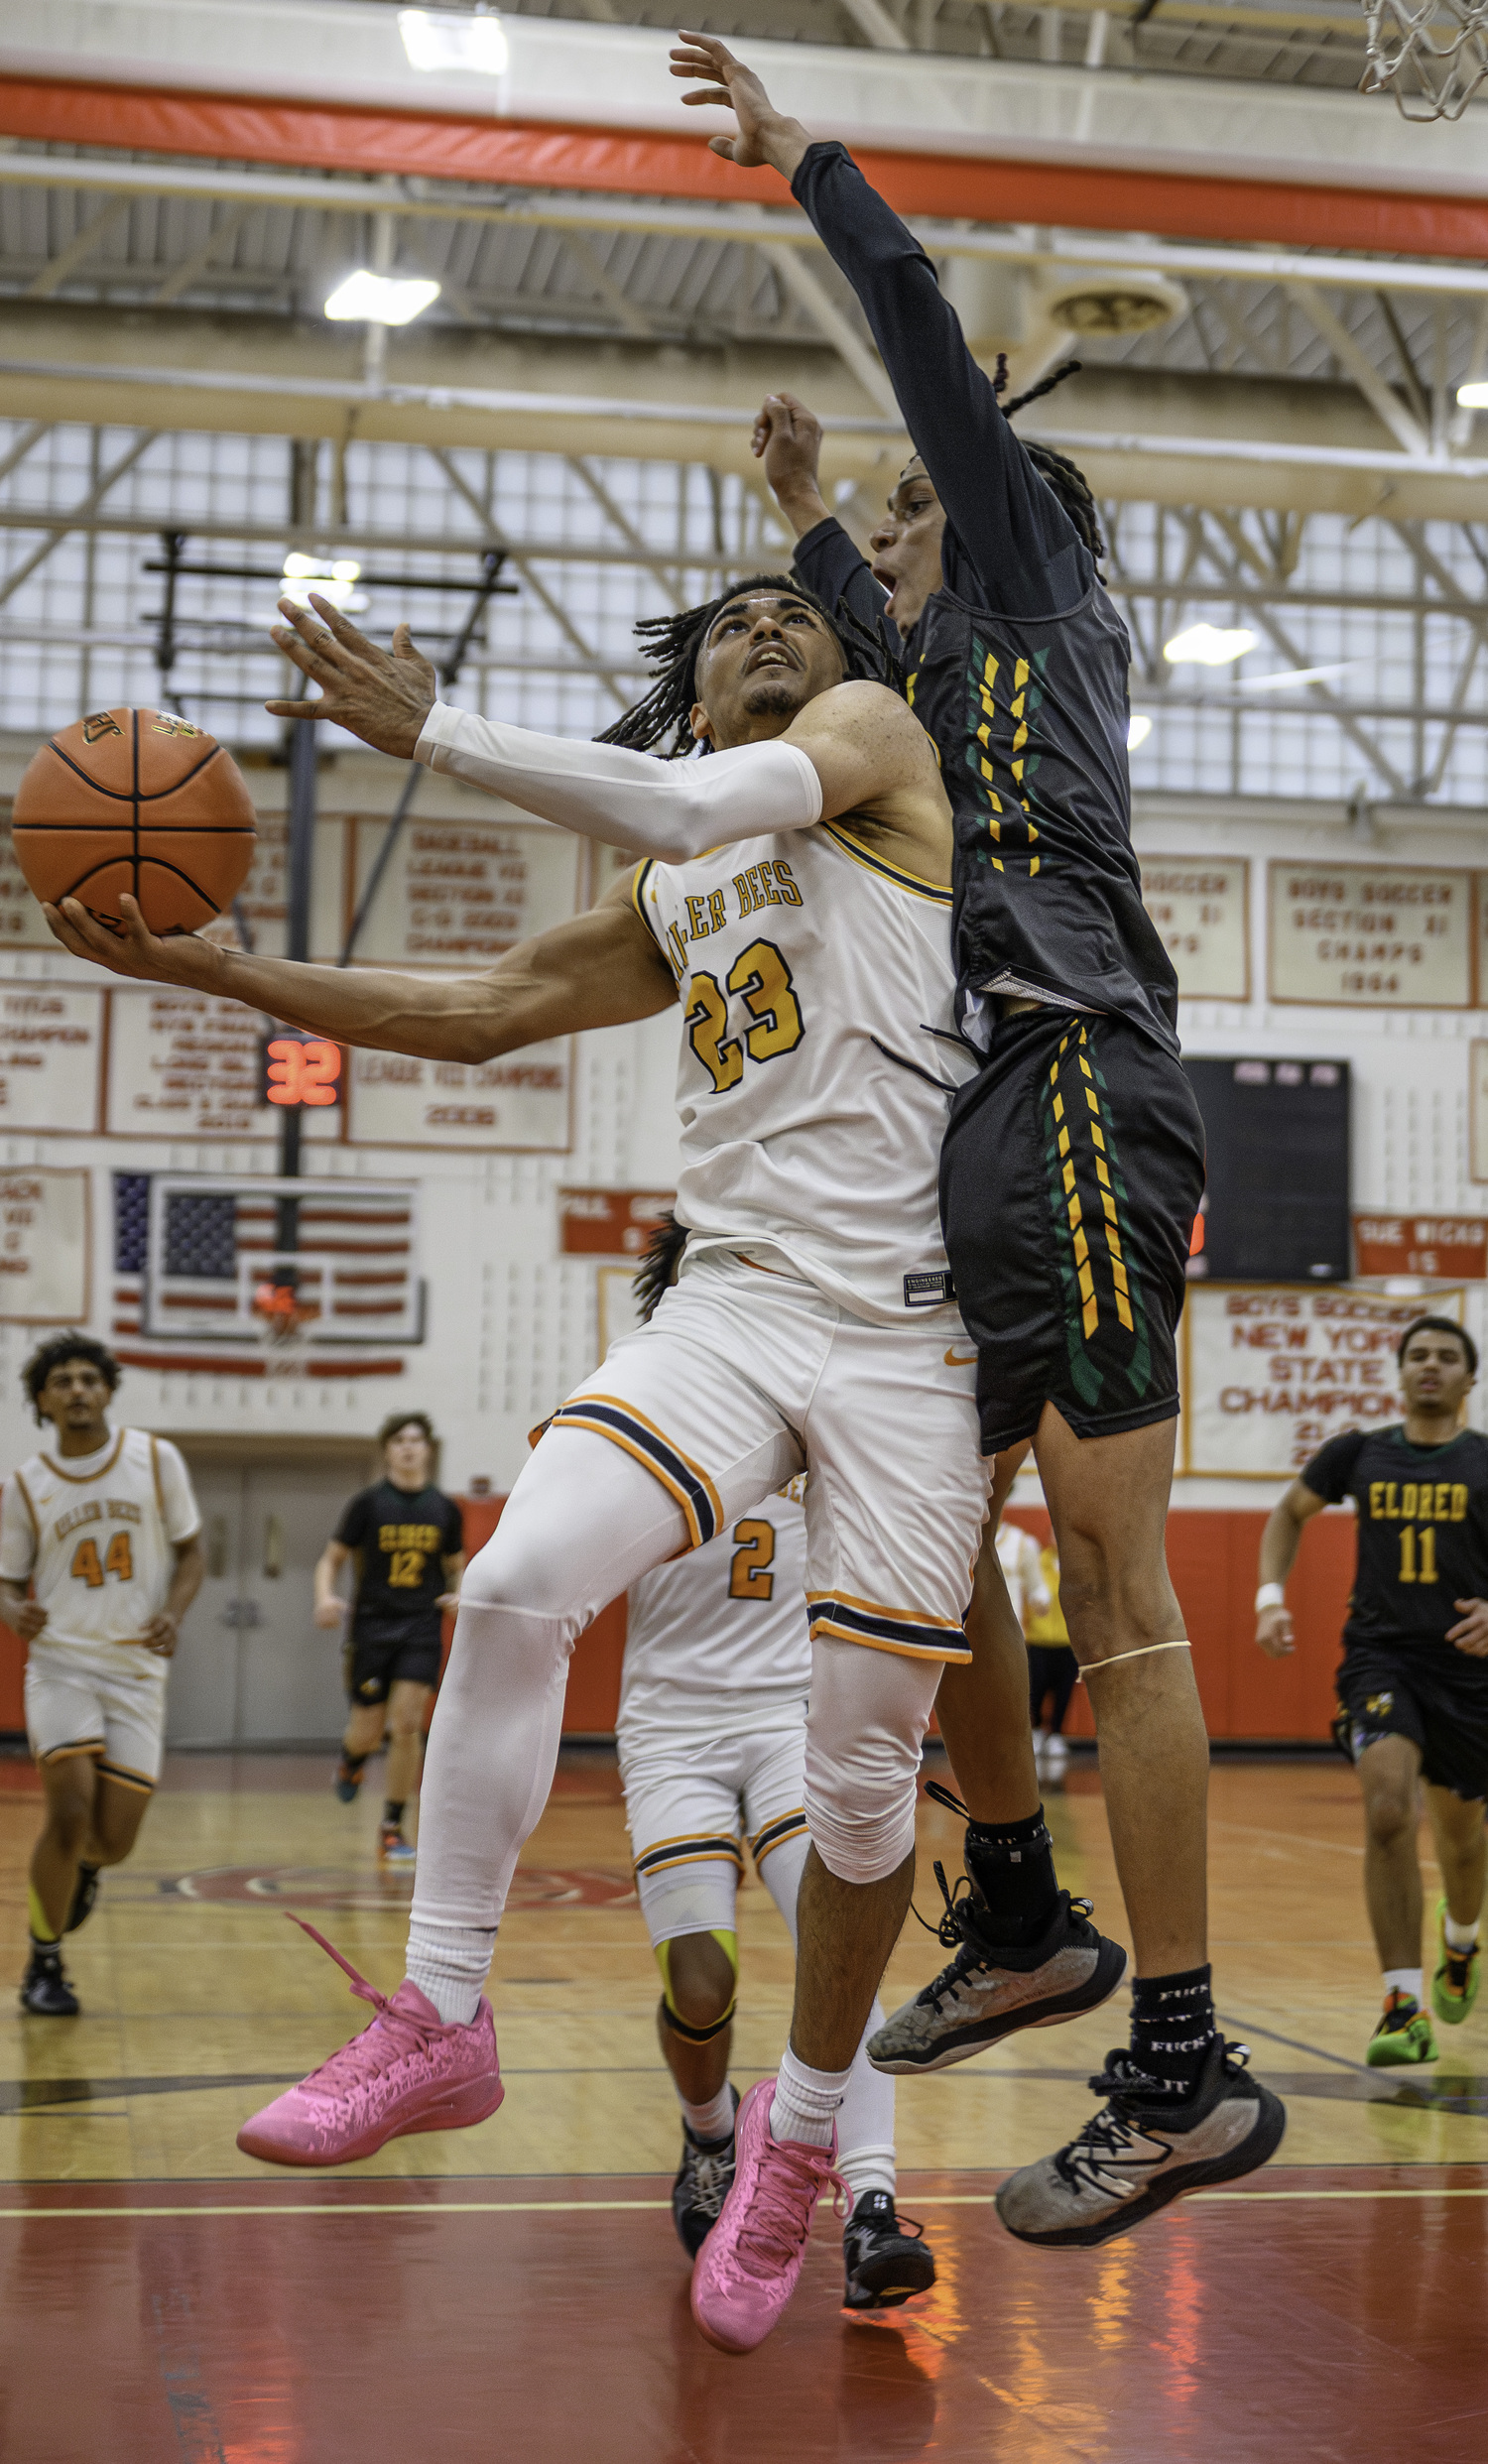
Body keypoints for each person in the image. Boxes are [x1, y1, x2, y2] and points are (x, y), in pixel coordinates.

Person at [45, 563, 1121, 2355]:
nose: (771, 632)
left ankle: (794, 2142)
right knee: (519, 1575)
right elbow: (472, 1006)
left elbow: (710, 793)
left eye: (799, 613)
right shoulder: (676, 884)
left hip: (918, 1333)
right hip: (743, 1294)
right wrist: (221, 966)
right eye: (731, 627)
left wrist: (432, 728)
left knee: (864, 1770)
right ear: (691, 686)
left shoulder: (872, 744)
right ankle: (444, 2011)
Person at [669, 29, 1282, 2251]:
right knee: (931, 1555)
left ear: (988, 528)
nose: (882, 554)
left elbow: (930, 342)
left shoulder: (1029, 581)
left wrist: (798, 157)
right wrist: (805, 522)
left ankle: (1189, 2067)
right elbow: (865, 609)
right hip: (976, 1136)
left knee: (1121, 1595)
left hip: (1084, 1077)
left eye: (907, 520)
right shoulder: (931, 691)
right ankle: (1020, 1907)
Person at [618, 1213, 933, 2311]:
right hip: (672, 1725)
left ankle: (874, 2202)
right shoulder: (640, 1393)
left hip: (793, 1717)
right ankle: (710, 2133)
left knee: (839, 1951)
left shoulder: (832, 1394)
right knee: (699, 1981)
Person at [1256, 1316, 1487, 2068]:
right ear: (1400, 1371)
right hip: (1380, 1660)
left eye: (1447, 1357)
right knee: (1389, 1809)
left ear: (1468, 1379)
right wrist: (1269, 1596)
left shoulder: (1484, 1461)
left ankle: (1461, 1942)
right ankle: (1401, 2003)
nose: (1430, 1366)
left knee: (1463, 1842)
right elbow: (1287, 1514)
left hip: (1467, 1673)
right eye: (1418, 1355)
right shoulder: (1358, 1453)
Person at [0, 1335, 203, 2017]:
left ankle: (84, 1869)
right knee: (68, 1810)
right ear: (41, 1400)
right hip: (61, 1664)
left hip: (137, 1672)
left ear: (109, 1389)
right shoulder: (27, 1483)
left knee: (112, 1841)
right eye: (63, 1381)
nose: (79, 1389)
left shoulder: (154, 1459)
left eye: (90, 1378)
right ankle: (43, 1962)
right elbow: (4, 1580)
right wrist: (12, 1611)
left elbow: (192, 1553)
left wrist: (174, 1612)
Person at [315, 1412, 464, 1865]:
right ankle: (352, 1757)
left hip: (420, 1627)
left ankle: (392, 1827)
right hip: (372, 1629)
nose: (408, 1447)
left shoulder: (445, 1508)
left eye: (416, 1440)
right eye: (399, 1440)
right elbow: (331, 1559)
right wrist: (324, 1597)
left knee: (406, 1725)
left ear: (428, 1450)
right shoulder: (368, 1505)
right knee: (367, 1730)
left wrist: (460, 1592)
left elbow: (457, 1564)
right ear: (387, 1450)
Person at [1026, 1537, 1079, 1784]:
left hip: (1067, 1641)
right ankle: (1036, 1731)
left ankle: (1056, 1733)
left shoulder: (1076, 1566)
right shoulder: (1038, 1562)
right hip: (1039, 1639)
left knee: (1064, 1691)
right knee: (1035, 1689)